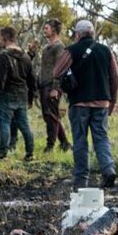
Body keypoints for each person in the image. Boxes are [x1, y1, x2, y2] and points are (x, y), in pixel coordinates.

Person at [53, 18, 118, 191]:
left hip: (79, 103)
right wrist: (112, 100)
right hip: (102, 103)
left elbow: (56, 72)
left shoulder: (72, 50)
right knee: (101, 138)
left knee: (80, 140)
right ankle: (108, 169)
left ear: (77, 34)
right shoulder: (106, 50)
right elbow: (115, 77)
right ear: (92, 33)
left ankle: (81, 179)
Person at [0, 24, 36, 161]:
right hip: (22, 94)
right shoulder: (26, 57)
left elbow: (0, 78)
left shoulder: (3, 56)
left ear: (5, 38)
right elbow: (31, 79)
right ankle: (30, 153)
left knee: (5, 123)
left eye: (1, 38)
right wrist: (31, 97)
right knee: (24, 124)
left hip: (8, 94)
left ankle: (3, 154)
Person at [37, 18, 70, 153]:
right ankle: (64, 143)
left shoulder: (59, 46)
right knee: (49, 115)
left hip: (52, 85)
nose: (44, 30)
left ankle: (50, 145)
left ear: (54, 30)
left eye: (47, 28)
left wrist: (56, 88)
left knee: (51, 115)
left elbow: (60, 67)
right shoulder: (46, 47)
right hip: (43, 84)